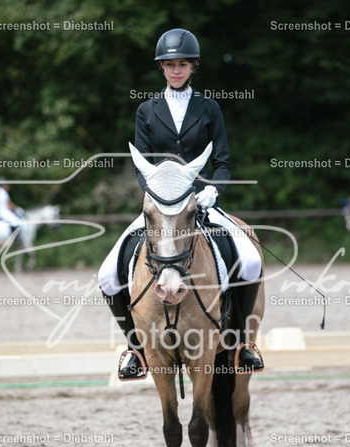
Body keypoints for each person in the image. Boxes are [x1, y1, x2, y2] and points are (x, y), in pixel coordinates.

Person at [98, 28, 263, 378]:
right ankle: (135, 349)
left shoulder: (209, 108)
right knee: (108, 274)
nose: (176, 70)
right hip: (160, 207)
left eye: (183, 64)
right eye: (170, 65)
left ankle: (243, 343)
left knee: (249, 260)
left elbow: (223, 163)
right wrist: (158, 197)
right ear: (161, 67)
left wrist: (213, 190)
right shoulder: (147, 110)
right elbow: (142, 166)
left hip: (199, 202)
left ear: (193, 67)